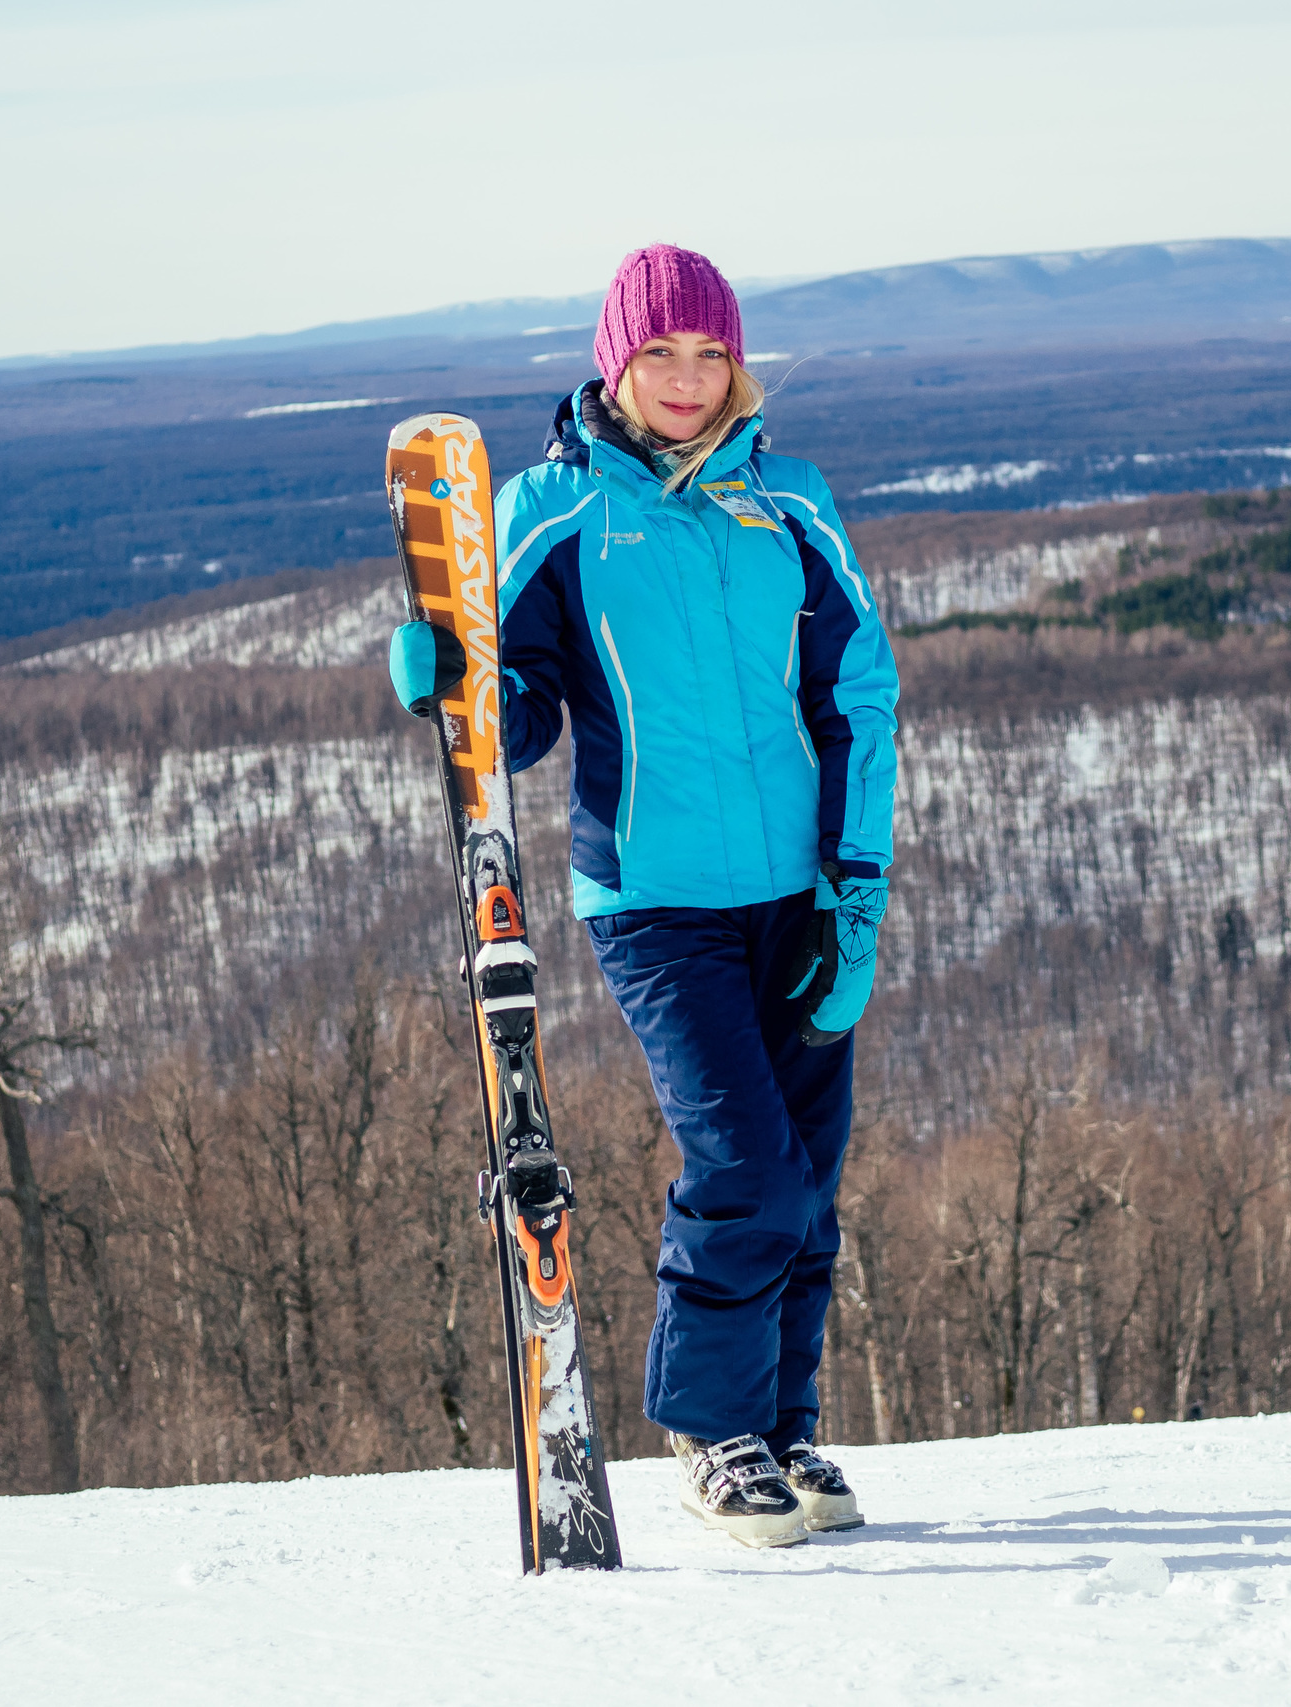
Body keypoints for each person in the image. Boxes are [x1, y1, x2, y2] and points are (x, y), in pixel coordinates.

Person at [392, 244, 899, 1546]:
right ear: (615, 363)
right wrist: (457, 686)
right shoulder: (557, 508)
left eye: (709, 353)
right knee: (743, 1159)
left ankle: (781, 1424)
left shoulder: (789, 499)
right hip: (657, 901)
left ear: (739, 363)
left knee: (810, 1175)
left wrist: (856, 890)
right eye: (659, 353)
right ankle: (711, 1425)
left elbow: (859, 698)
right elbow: (526, 704)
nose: (686, 377)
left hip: (800, 892)